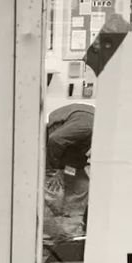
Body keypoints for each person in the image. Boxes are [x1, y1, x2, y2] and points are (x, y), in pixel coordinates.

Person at [44, 103, 94, 244]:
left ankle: (71, 235)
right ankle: (48, 240)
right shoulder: (86, 126)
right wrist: (57, 169)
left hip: (72, 154)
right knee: (54, 191)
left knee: (82, 186)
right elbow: (55, 140)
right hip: (54, 151)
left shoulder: (97, 131)